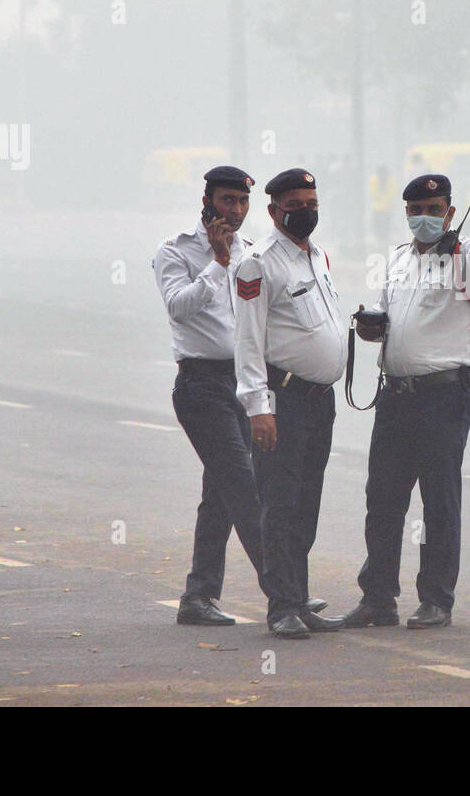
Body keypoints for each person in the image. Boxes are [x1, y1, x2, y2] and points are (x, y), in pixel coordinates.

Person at [153, 166, 327, 626]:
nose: (234, 210)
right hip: (200, 387)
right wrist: (217, 261)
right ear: (207, 200)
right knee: (246, 489)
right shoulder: (176, 249)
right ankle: (286, 595)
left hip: (243, 383)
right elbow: (179, 307)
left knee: (221, 495)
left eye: (241, 203)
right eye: (227, 200)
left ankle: (198, 595)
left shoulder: (253, 253)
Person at [342, 173, 470, 629]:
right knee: (382, 499)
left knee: (438, 499)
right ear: (406, 213)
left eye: (434, 210)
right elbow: (387, 318)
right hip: (395, 396)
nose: (425, 218)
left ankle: (436, 599)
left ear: (451, 213)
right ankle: (377, 598)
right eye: (417, 210)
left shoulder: (465, 258)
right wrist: (370, 328)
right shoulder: (398, 260)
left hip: (444, 397)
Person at [234, 168, 348, 639]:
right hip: (284, 400)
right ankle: (281, 606)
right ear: (273, 210)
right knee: (279, 504)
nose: (306, 211)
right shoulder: (258, 263)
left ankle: (299, 599)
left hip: (320, 401)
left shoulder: (316, 255)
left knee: (306, 504)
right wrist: (260, 406)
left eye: (311, 202)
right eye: (295, 204)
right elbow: (247, 340)